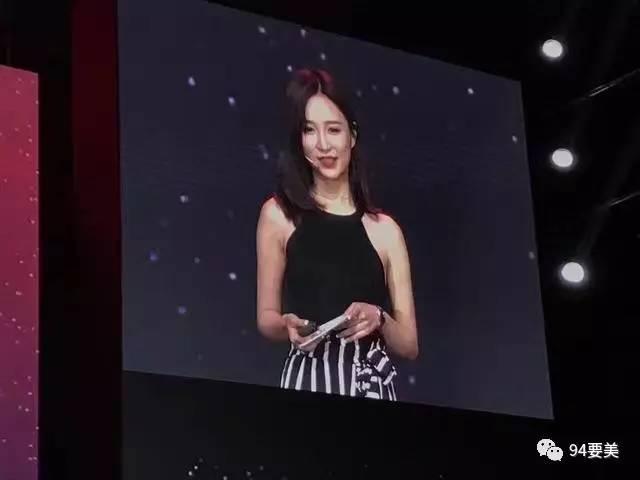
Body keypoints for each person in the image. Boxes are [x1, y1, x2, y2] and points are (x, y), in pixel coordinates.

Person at [256, 68, 418, 401]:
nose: (323, 144)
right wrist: (286, 325)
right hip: (306, 378)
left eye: (333, 129)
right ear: (299, 139)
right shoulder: (278, 215)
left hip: (370, 383)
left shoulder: (386, 230)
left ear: (352, 136)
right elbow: (266, 317)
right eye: (309, 130)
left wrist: (379, 318)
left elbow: (409, 344)